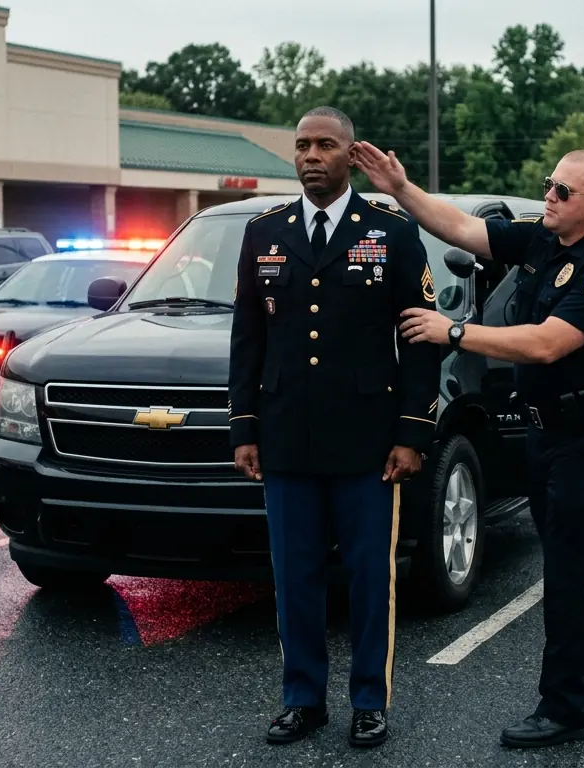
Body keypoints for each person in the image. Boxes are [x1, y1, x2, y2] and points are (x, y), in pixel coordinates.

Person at [351, 140, 584, 749]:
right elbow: (466, 229)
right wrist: (400, 187)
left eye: (561, 192)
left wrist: (454, 330)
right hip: (547, 428)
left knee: (569, 570)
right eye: (550, 184)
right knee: (575, 551)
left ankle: (564, 709)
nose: (547, 197)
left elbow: (548, 342)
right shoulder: (545, 238)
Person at [227, 106, 442, 748]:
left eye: (325, 144)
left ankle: (369, 701)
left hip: (368, 442)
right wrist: (244, 428)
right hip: (287, 436)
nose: (311, 155)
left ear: (351, 155)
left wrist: (412, 431)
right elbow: (248, 338)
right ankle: (303, 699)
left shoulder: (391, 231)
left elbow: (422, 340)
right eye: (302, 145)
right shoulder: (264, 231)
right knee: (294, 577)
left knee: (371, 578)